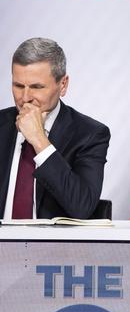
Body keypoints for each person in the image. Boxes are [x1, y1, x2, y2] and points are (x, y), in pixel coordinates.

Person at [0, 38, 110, 219]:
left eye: (37, 87)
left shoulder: (90, 134)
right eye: (18, 86)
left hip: (53, 247)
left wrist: (39, 141)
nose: (25, 97)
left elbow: (81, 207)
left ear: (63, 85)